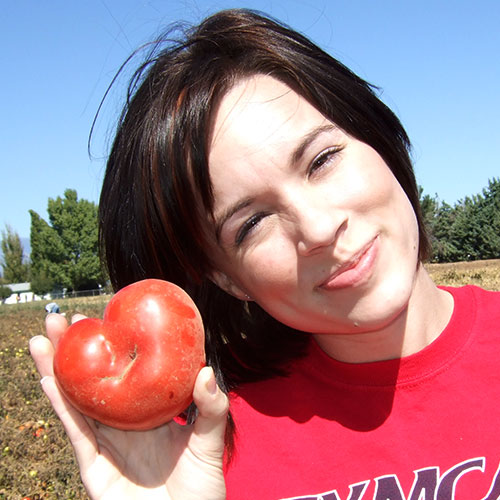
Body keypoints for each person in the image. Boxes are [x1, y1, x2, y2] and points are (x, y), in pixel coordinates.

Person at [29, 9, 500, 500]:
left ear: (372, 135)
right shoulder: (208, 457)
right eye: (251, 223)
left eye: (322, 160)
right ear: (225, 277)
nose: (318, 227)